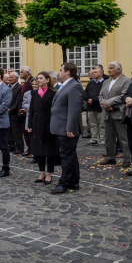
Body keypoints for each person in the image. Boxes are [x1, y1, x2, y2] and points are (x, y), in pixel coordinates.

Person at [50, 63, 84, 194]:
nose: (59, 72)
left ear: (68, 72)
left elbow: (74, 110)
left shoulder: (74, 86)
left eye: (61, 70)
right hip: (61, 126)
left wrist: (70, 128)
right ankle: (74, 181)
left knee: (66, 156)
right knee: (70, 155)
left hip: (67, 128)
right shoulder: (65, 85)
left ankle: (64, 183)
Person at [27, 72, 59, 185]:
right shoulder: (35, 93)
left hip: (48, 122)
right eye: (38, 78)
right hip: (36, 122)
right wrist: (29, 124)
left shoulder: (53, 93)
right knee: (38, 149)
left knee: (49, 149)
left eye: (41, 78)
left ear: (47, 80)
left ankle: (49, 173)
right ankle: (42, 172)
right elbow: (31, 110)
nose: (38, 80)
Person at [98, 62, 132, 167]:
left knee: (123, 138)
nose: (109, 70)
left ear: (119, 70)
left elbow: (123, 96)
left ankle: (127, 159)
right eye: (109, 68)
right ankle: (110, 157)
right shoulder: (106, 82)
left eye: (112, 68)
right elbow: (100, 95)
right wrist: (103, 103)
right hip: (107, 113)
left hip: (119, 112)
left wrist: (108, 103)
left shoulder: (126, 81)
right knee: (109, 138)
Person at [84, 66, 107, 146]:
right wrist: (88, 99)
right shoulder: (91, 83)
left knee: (102, 125)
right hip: (90, 107)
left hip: (100, 107)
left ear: (101, 73)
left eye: (96, 72)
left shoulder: (105, 83)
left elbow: (104, 94)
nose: (94, 73)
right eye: (93, 72)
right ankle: (94, 139)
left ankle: (103, 140)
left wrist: (93, 100)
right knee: (93, 125)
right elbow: (85, 92)